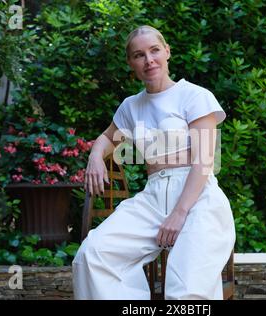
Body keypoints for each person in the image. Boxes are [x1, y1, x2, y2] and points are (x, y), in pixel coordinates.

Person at [72, 25, 235, 300]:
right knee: (93, 255)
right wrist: (95, 157)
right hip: (153, 197)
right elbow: (106, 139)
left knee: (186, 287)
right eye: (139, 55)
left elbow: (203, 162)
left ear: (167, 51)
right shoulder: (130, 106)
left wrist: (180, 213)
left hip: (197, 196)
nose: (149, 60)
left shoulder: (194, 95)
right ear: (130, 63)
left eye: (154, 50)